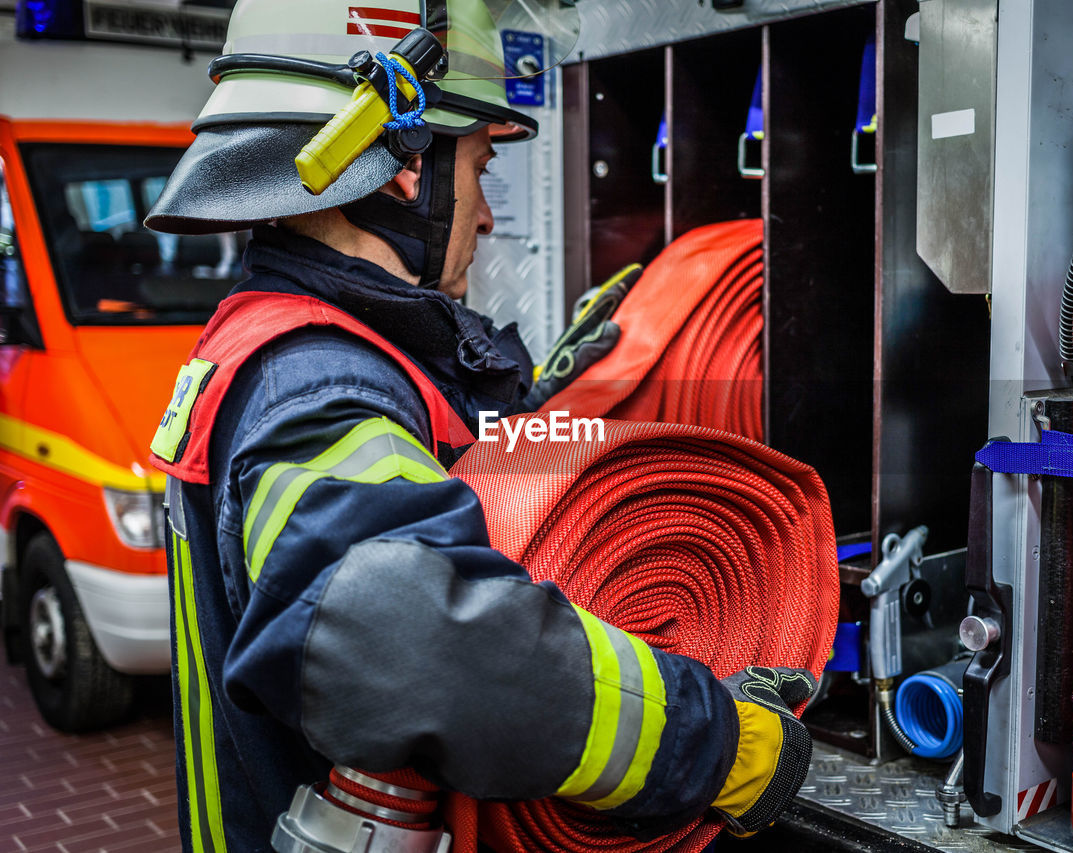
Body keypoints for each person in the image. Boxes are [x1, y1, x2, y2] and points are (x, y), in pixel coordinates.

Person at [145, 2, 815, 851]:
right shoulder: (316, 383)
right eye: (478, 167)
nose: (488, 214)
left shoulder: (306, 343)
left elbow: (429, 496)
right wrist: (717, 742)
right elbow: (411, 643)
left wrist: (539, 414)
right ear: (400, 169)